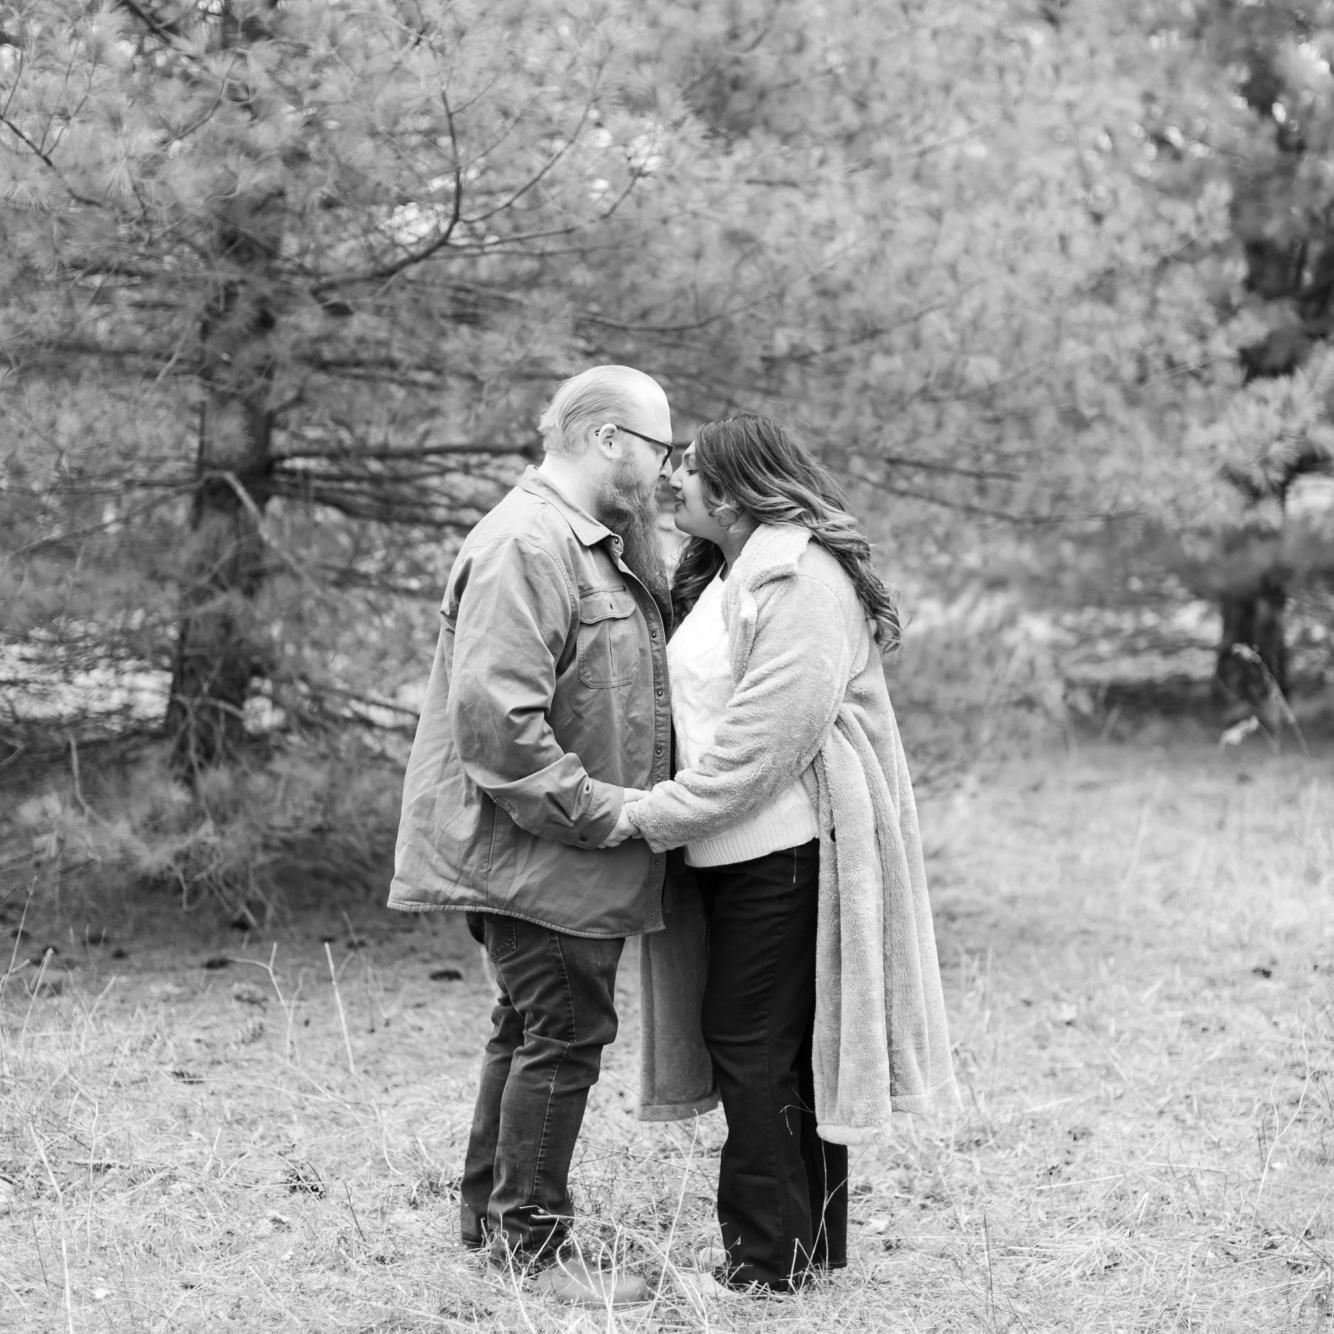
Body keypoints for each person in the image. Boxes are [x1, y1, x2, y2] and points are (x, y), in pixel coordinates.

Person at [607, 413, 957, 1296]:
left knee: (750, 1043)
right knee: (778, 1049)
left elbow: (764, 744)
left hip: (782, 851)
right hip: (728, 851)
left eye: (690, 468)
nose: (671, 478)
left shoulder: (801, 581)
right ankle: (808, 1247)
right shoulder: (731, 569)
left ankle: (765, 1263)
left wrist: (645, 815)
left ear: (734, 491)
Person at [387, 365, 677, 1307]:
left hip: (553, 854)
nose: (666, 470)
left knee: (530, 1028)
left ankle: (491, 1226)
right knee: (565, 1034)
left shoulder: (587, 543)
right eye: (659, 448)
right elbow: (500, 727)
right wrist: (608, 814)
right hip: (543, 851)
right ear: (606, 439)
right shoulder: (528, 543)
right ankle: (534, 1253)